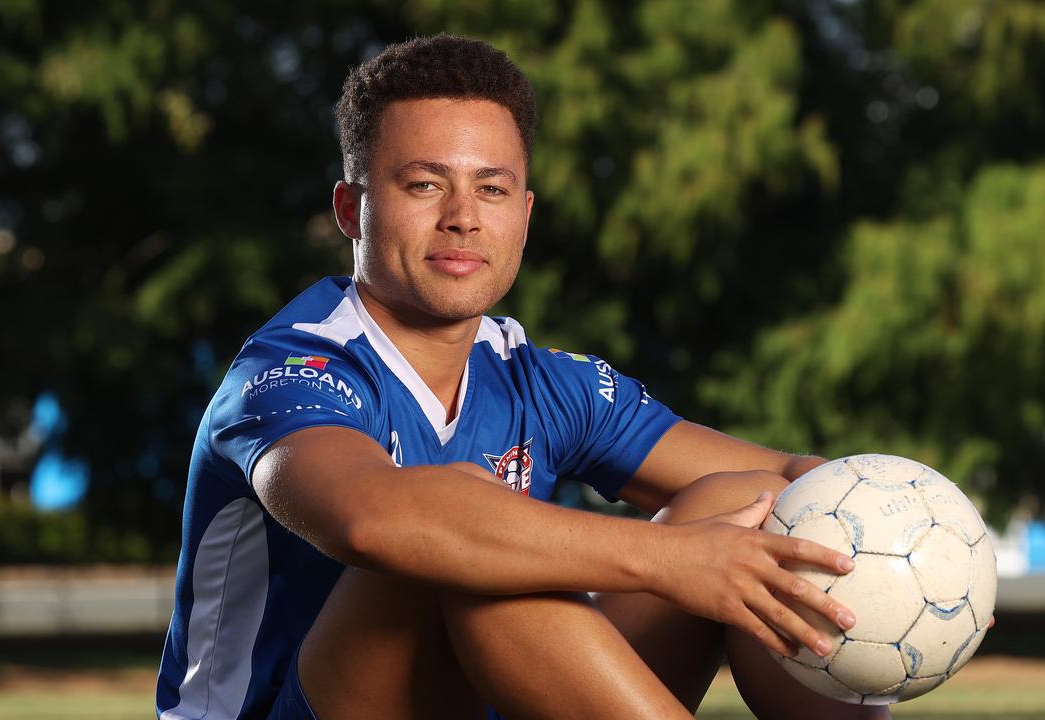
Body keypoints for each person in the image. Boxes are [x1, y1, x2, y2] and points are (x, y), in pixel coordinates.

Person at [157, 34, 888, 720]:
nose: (463, 219)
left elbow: (792, 476)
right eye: (423, 185)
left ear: (526, 215)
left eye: (493, 190)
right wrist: (672, 560)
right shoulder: (288, 371)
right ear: (352, 209)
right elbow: (374, 521)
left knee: (747, 503)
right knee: (459, 523)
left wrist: (924, 542)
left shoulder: (538, 379)